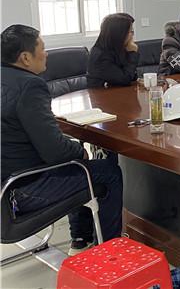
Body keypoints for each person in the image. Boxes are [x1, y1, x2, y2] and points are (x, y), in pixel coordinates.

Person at [1, 25, 123, 256]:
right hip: (23, 190)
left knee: (75, 165)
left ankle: (80, 239)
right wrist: (80, 151)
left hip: (7, 187)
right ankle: (110, 252)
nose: (46, 53)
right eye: (42, 48)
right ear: (25, 57)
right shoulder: (30, 85)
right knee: (108, 172)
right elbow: (55, 151)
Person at [87, 13, 140, 88]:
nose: (132, 35)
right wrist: (132, 53)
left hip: (119, 92)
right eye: (130, 31)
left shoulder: (117, 48)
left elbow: (132, 77)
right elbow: (125, 79)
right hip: (103, 94)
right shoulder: (100, 56)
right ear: (119, 33)